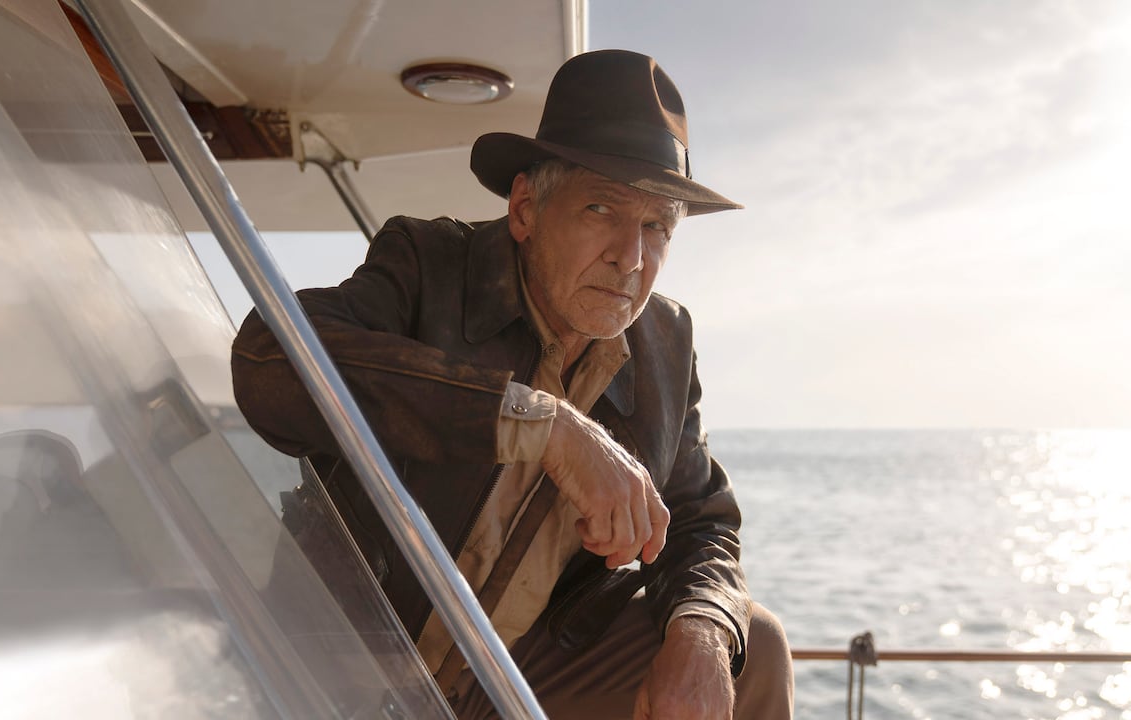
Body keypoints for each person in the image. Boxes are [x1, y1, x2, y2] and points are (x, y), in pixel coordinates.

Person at [232, 49, 794, 719]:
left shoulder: (664, 345)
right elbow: (268, 358)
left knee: (752, 646)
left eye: (656, 226)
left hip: (511, 672)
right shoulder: (428, 267)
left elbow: (702, 521)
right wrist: (542, 427)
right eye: (602, 209)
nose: (631, 257)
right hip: (346, 655)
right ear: (525, 209)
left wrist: (702, 629)